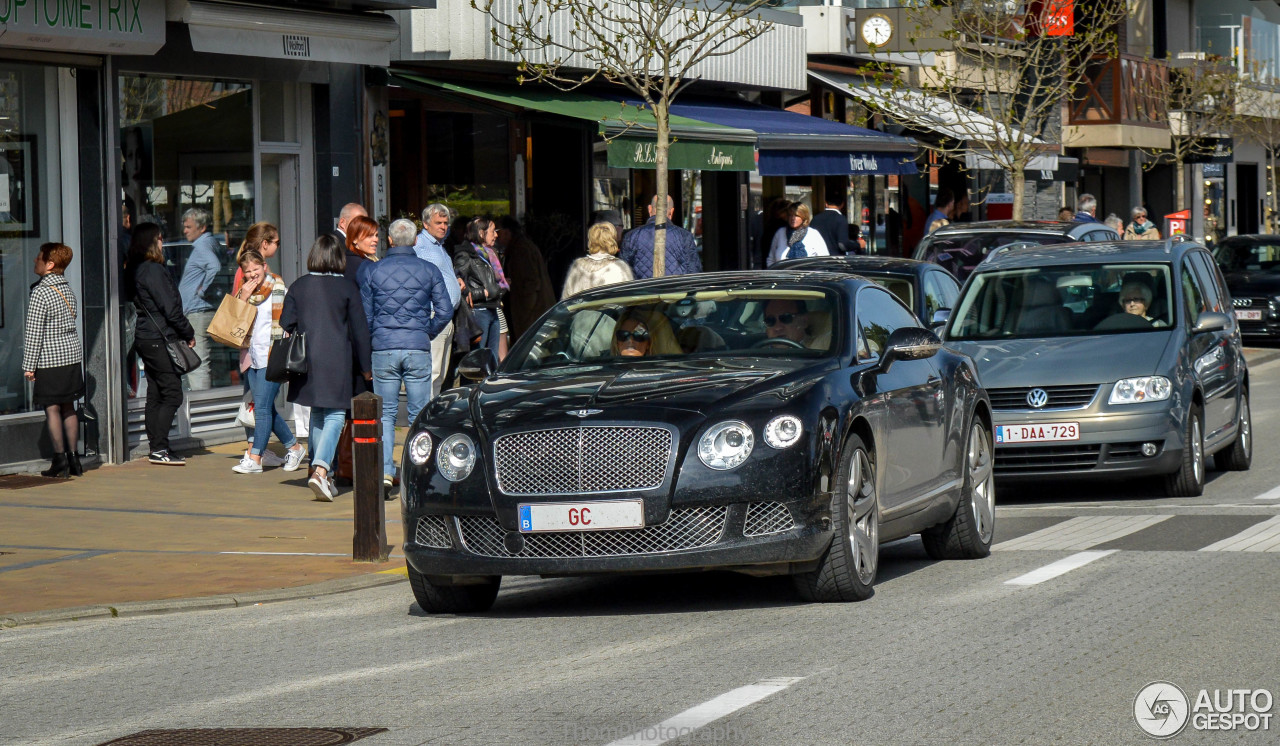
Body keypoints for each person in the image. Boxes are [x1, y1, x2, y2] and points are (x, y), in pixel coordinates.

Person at [361, 218, 453, 492]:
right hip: (417, 347)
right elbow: (445, 311)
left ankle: (387, 472)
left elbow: (366, 315)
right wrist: (427, 332)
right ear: (415, 241)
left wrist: (377, 335)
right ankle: (416, 474)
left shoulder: (373, 271)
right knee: (418, 414)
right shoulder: (429, 270)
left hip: (384, 348)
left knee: (386, 414)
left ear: (389, 240)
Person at [281, 235, 373, 502]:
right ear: (338, 259)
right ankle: (321, 469)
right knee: (334, 414)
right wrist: (366, 368)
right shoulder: (346, 288)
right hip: (337, 360)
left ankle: (324, 473)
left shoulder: (298, 286)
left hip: (306, 360)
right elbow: (360, 331)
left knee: (319, 414)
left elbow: (287, 322)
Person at [229, 250, 306, 474]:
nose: (253, 275)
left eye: (256, 269)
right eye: (248, 272)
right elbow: (235, 322)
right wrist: (242, 297)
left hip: (272, 356)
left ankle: (255, 458)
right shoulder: (246, 292)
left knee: (261, 408)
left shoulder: (279, 288)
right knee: (266, 409)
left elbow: (291, 319)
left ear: (264, 266)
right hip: (251, 356)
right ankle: (294, 446)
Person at [126, 223, 195, 466]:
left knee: (156, 393)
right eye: (159, 238)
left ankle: (158, 447)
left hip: (147, 337)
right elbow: (171, 309)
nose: (162, 242)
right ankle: (159, 447)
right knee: (173, 394)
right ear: (152, 241)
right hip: (159, 337)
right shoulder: (153, 270)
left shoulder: (135, 269)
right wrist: (188, 332)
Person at [23, 243, 84, 478]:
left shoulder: (40, 292)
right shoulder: (67, 289)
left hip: (49, 359)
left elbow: (34, 333)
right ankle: (74, 459)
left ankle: (59, 460)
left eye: (39, 258)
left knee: (52, 408)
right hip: (71, 357)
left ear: (49, 264)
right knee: (69, 407)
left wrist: (29, 366)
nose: (34, 261)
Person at [413, 203, 462, 398]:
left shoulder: (440, 247)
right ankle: (424, 418)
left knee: (440, 375)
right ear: (426, 224)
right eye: (438, 223)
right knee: (432, 373)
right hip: (435, 314)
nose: (443, 226)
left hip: (446, 316)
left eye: (446, 223)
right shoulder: (420, 246)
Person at [177, 207, 221, 390]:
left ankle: (200, 407)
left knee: (198, 362)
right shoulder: (208, 243)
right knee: (203, 360)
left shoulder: (203, 246)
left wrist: (202, 291)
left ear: (201, 228)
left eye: (188, 227)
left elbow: (215, 267)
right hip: (201, 310)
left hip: (198, 311)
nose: (185, 230)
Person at [497, 215, 555, 341]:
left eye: (498, 231)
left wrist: (525, 315)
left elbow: (531, 283)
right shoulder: (519, 247)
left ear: (507, 232)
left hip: (531, 315)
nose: (496, 235)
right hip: (530, 313)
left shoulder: (521, 249)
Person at [453, 217, 504, 358]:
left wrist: (498, 290)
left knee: (491, 357)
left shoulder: (491, 254)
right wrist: (483, 293)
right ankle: (471, 382)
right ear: (481, 233)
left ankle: (488, 380)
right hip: (478, 311)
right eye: (493, 231)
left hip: (493, 308)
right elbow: (459, 286)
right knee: (477, 359)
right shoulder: (465, 255)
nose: (496, 235)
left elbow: (495, 281)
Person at [620, 195, 702, 279]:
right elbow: (694, 272)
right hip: (676, 291)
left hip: (642, 291)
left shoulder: (631, 236)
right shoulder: (684, 236)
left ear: (650, 209)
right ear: (672, 211)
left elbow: (623, 273)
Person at [562, 222, 635, 299]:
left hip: (581, 311)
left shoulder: (577, 266)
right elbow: (628, 299)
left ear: (591, 240)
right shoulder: (620, 267)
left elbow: (566, 299)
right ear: (613, 240)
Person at [767, 202, 830, 266]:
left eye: (796, 216)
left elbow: (824, 259)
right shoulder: (780, 233)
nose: (793, 218)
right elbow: (771, 259)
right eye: (790, 215)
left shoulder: (813, 234)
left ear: (804, 217)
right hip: (783, 274)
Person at [232, 222, 281, 293]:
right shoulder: (254, 268)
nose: (278, 246)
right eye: (277, 243)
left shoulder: (246, 266)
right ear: (265, 244)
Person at [609, 309, 680, 358]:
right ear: (617, 341)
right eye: (623, 335)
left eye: (639, 336)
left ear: (648, 344)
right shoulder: (604, 366)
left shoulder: (663, 372)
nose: (630, 340)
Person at [810, 189, 850, 255]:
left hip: (818, 259)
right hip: (835, 260)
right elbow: (843, 245)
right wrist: (858, 245)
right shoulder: (841, 219)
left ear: (826, 204)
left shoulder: (816, 218)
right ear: (842, 204)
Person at [343, 214, 380, 286]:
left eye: (376, 235)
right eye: (369, 236)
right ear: (354, 239)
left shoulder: (343, 260)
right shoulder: (365, 266)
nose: (375, 239)